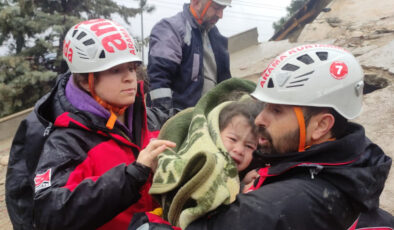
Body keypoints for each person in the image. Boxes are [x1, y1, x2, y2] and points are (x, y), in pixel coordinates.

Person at [130, 44, 394, 229]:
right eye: (263, 106)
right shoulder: (352, 168)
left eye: (276, 110)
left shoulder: (277, 206)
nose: (259, 119)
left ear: (320, 126)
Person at [5, 18, 176, 230]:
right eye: (115, 70)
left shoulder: (153, 120)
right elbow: (51, 212)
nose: (130, 78)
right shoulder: (67, 141)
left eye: (132, 68)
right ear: (86, 80)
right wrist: (133, 175)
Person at [147, 0, 232, 112]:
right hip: (181, 120)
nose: (220, 15)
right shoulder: (171, 29)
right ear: (196, 2)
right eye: (216, 8)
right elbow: (159, 80)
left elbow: (225, 82)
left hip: (209, 117)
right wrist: (166, 119)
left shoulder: (215, 35)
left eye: (223, 9)